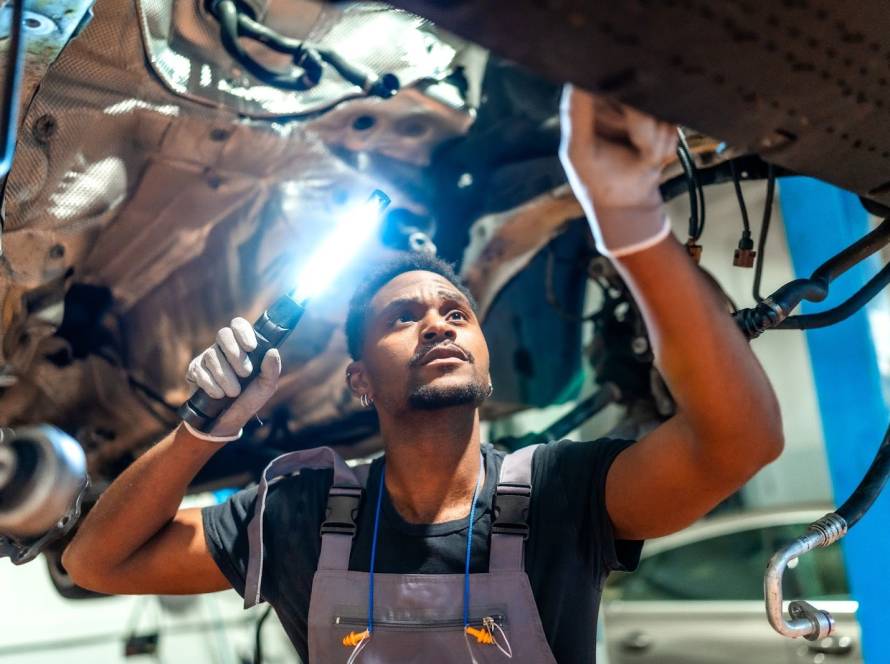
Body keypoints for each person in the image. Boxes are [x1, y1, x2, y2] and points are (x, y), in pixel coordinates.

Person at [62, 87, 784, 663]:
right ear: (359, 382)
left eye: (455, 312)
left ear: (487, 363)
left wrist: (629, 218)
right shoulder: (298, 512)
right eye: (402, 317)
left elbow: (738, 443)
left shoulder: (562, 494)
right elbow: (98, 562)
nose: (437, 322)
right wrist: (203, 427)